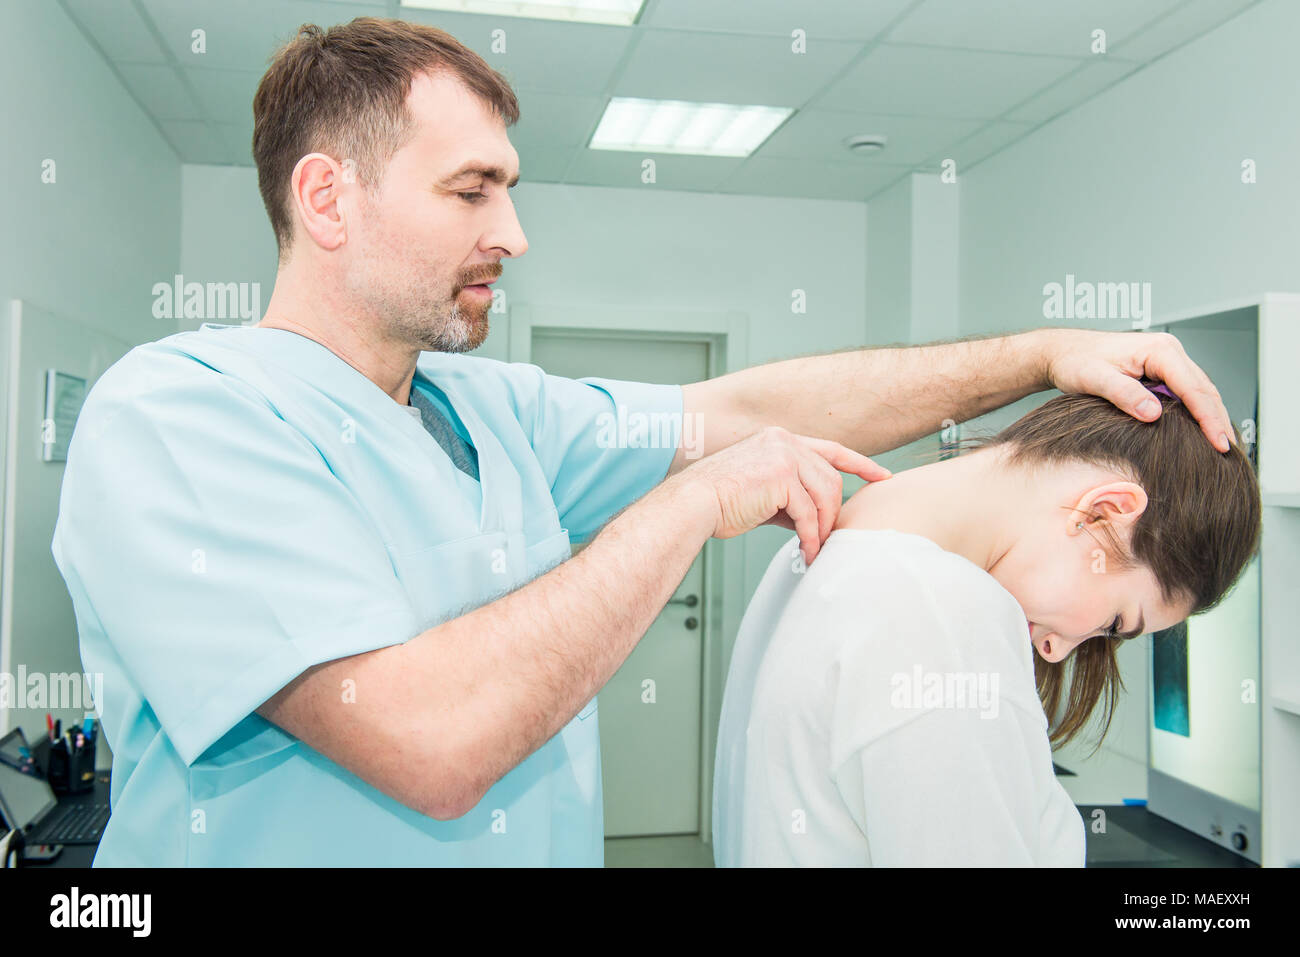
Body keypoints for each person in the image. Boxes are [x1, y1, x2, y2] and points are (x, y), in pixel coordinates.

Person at [50, 17, 1235, 866]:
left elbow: (756, 411)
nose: (511, 232)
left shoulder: (490, 414)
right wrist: (685, 508)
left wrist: (1034, 358)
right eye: (472, 191)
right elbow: (428, 740)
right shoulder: (180, 418)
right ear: (326, 199)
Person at [712, 383, 1261, 866]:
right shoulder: (940, 611)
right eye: (1114, 622)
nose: (1054, 650)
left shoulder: (811, 556)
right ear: (1104, 513)